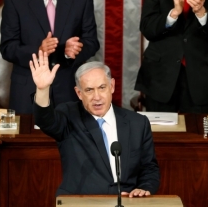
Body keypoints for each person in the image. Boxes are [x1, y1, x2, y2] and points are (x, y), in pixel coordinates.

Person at [30, 50, 160, 197]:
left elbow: (149, 168)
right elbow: (45, 120)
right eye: (89, 90)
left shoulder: (137, 123)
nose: (96, 97)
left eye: (102, 88)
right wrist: (42, 89)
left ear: (112, 86)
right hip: (80, 202)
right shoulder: (68, 116)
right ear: (79, 93)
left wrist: (144, 188)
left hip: (125, 201)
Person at [0, 0, 99, 113]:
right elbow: (7, 48)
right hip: (28, 91)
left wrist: (71, 53)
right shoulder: (15, 0)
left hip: (68, 89)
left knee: (70, 139)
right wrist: (39, 50)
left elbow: (92, 42)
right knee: (27, 140)